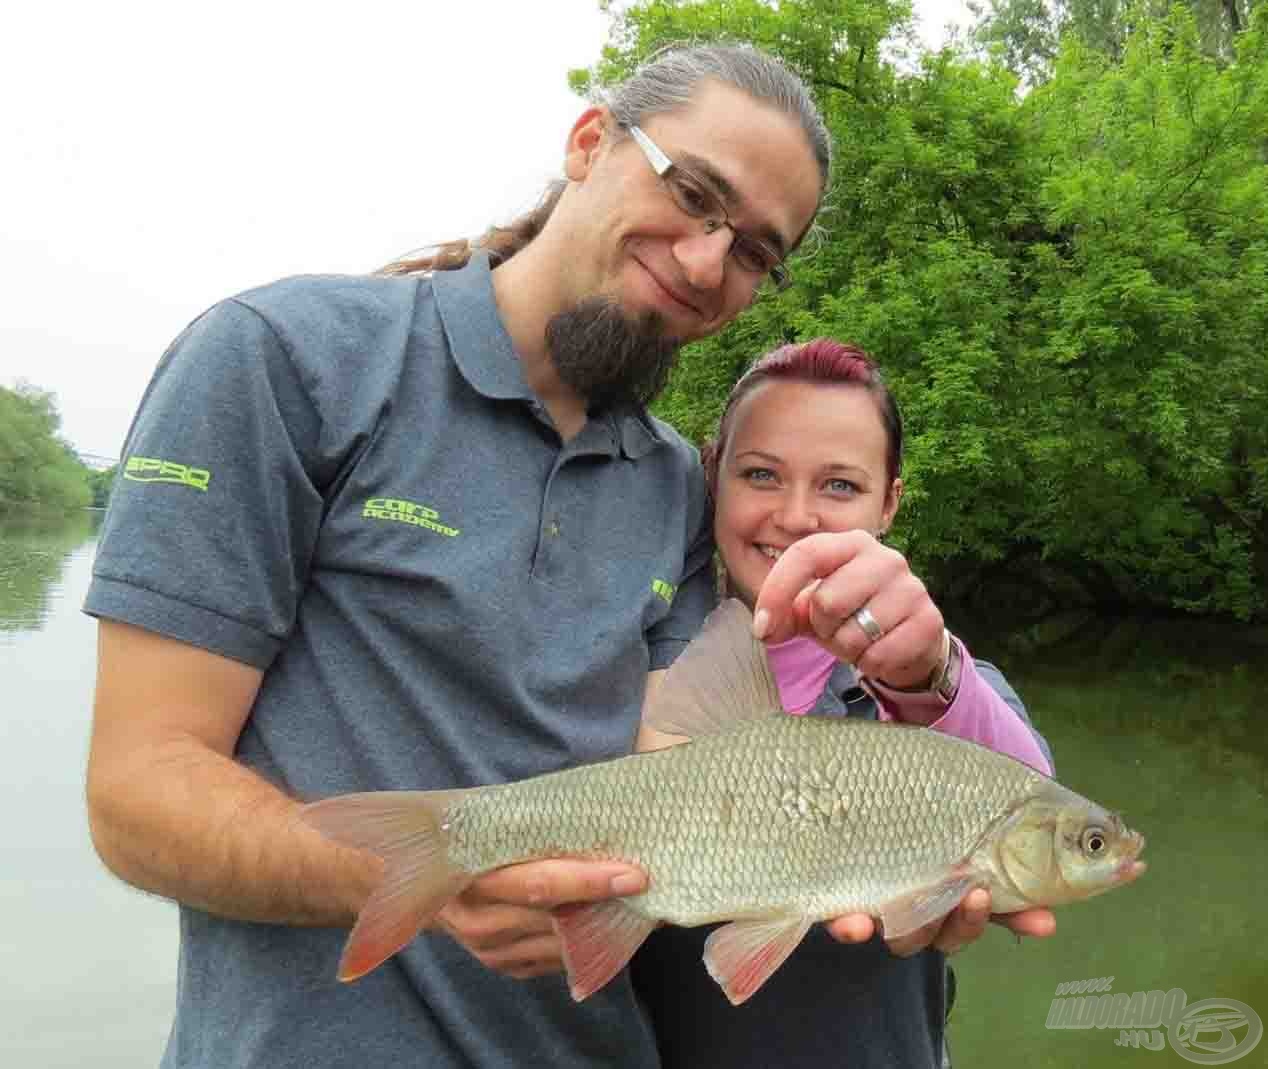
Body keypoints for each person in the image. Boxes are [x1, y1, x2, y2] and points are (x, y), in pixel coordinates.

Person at [82, 43, 833, 1069]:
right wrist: (421, 878)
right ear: (588, 142)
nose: (707, 263)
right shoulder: (282, 359)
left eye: (753, 251)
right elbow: (135, 793)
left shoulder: (675, 488)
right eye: (692, 191)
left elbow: (682, 770)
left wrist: (909, 837)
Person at [631, 338, 1056, 1068]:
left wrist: (931, 673)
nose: (796, 516)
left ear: (889, 501)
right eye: (761, 474)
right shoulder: (633, 671)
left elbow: (1035, 810)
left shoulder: (951, 688)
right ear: (714, 477)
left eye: (839, 486)